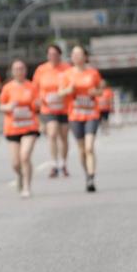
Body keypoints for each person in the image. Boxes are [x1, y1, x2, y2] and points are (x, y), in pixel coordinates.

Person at [59, 45, 103, 192]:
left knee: (89, 147)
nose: (76, 56)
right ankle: (87, 173)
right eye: (74, 54)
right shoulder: (67, 74)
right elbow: (60, 93)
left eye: (79, 54)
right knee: (82, 149)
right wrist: (68, 90)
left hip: (91, 114)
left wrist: (95, 92)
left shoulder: (93, 73)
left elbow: (101, 90)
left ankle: (91, 177)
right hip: (75, 115)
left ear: (85, 56)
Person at [0, 59, 40, 198]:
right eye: (16, 68)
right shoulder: (7, 87)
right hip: (13, 128)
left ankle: (27, 187)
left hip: (30, 126)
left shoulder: (32, 87)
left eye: (21, 68)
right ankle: (20, 175)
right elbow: (1, 106)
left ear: (25, 70)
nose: (19, 71)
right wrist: (8, 107)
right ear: (12, 71)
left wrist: (37, 104)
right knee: (15, 163)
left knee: (25, 156)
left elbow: (38, 105)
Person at [32, 44, 71, 177]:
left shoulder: (67, 68)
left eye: (55, 54)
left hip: (64, 108)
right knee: (52, 133)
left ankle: (63, 163)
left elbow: (72, 85)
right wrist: (37, 100)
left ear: (60, 55)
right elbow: (35, 88)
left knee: (63, 136)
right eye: (50, 54)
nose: (52, 56)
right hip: (47, 108)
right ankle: (54, 164)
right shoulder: (41, 70)